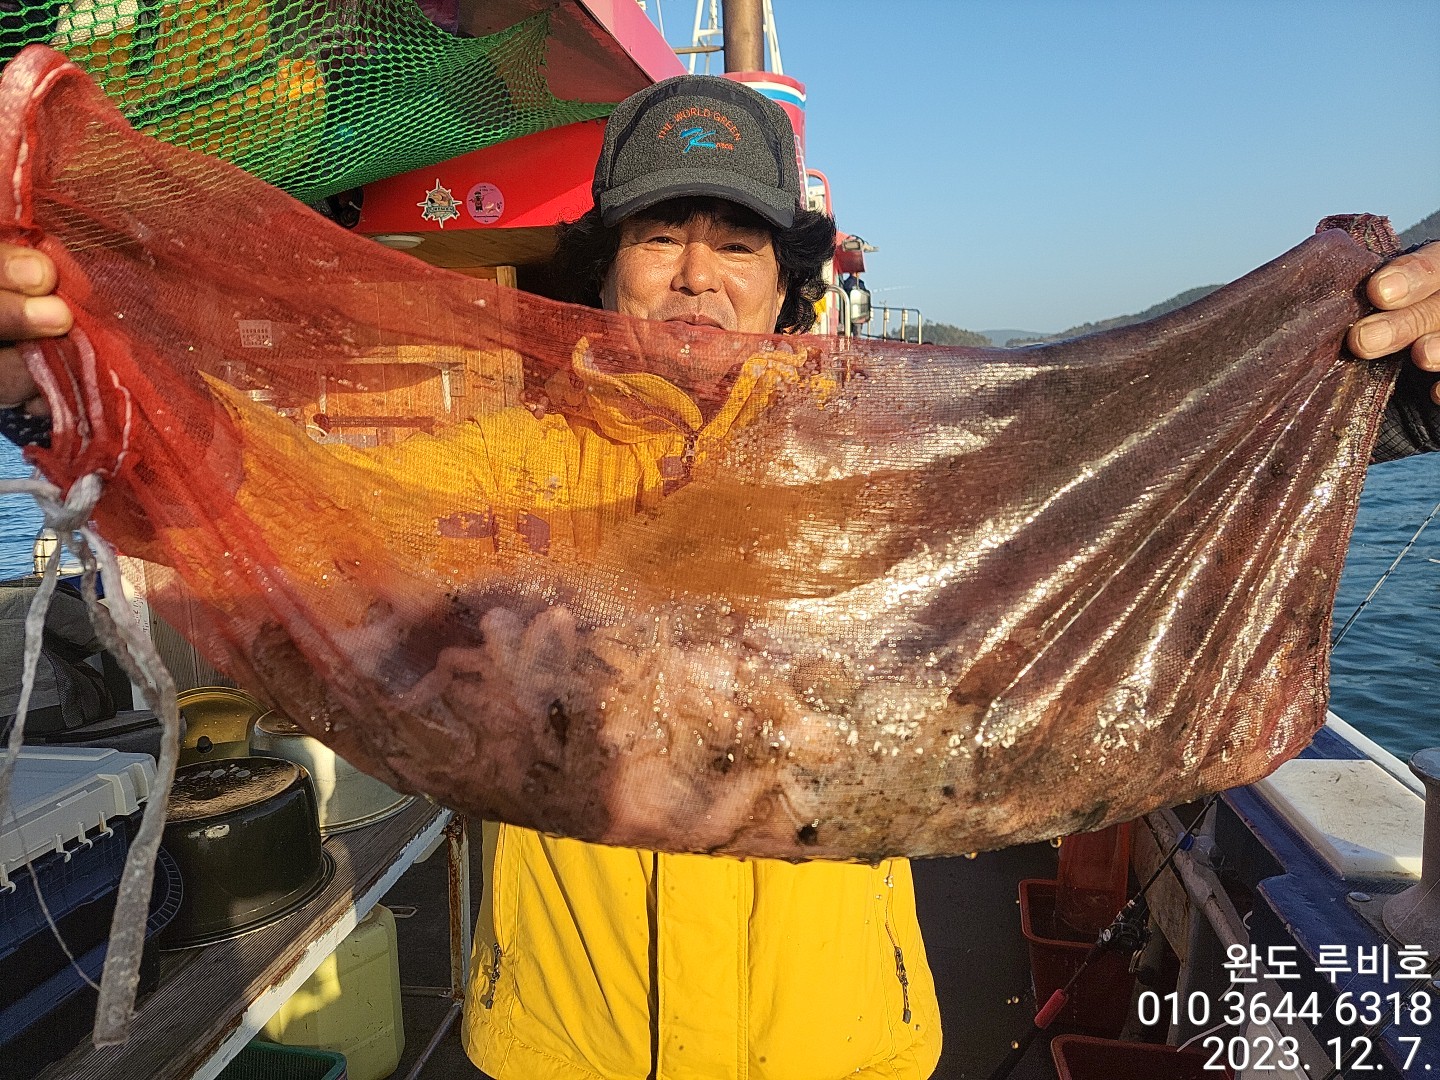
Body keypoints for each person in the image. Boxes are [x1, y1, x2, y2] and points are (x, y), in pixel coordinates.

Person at [0, 73, 1437, 1080]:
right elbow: (244, 510)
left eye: (736, 242)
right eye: (660, 236)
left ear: (785, 279)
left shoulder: (891, 470)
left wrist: (1390, 392)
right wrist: (48, 380)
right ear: (604, 269)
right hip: (559, 1046)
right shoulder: (485, 469)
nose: (697, 275)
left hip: (843, 1047)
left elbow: (1128, 488)